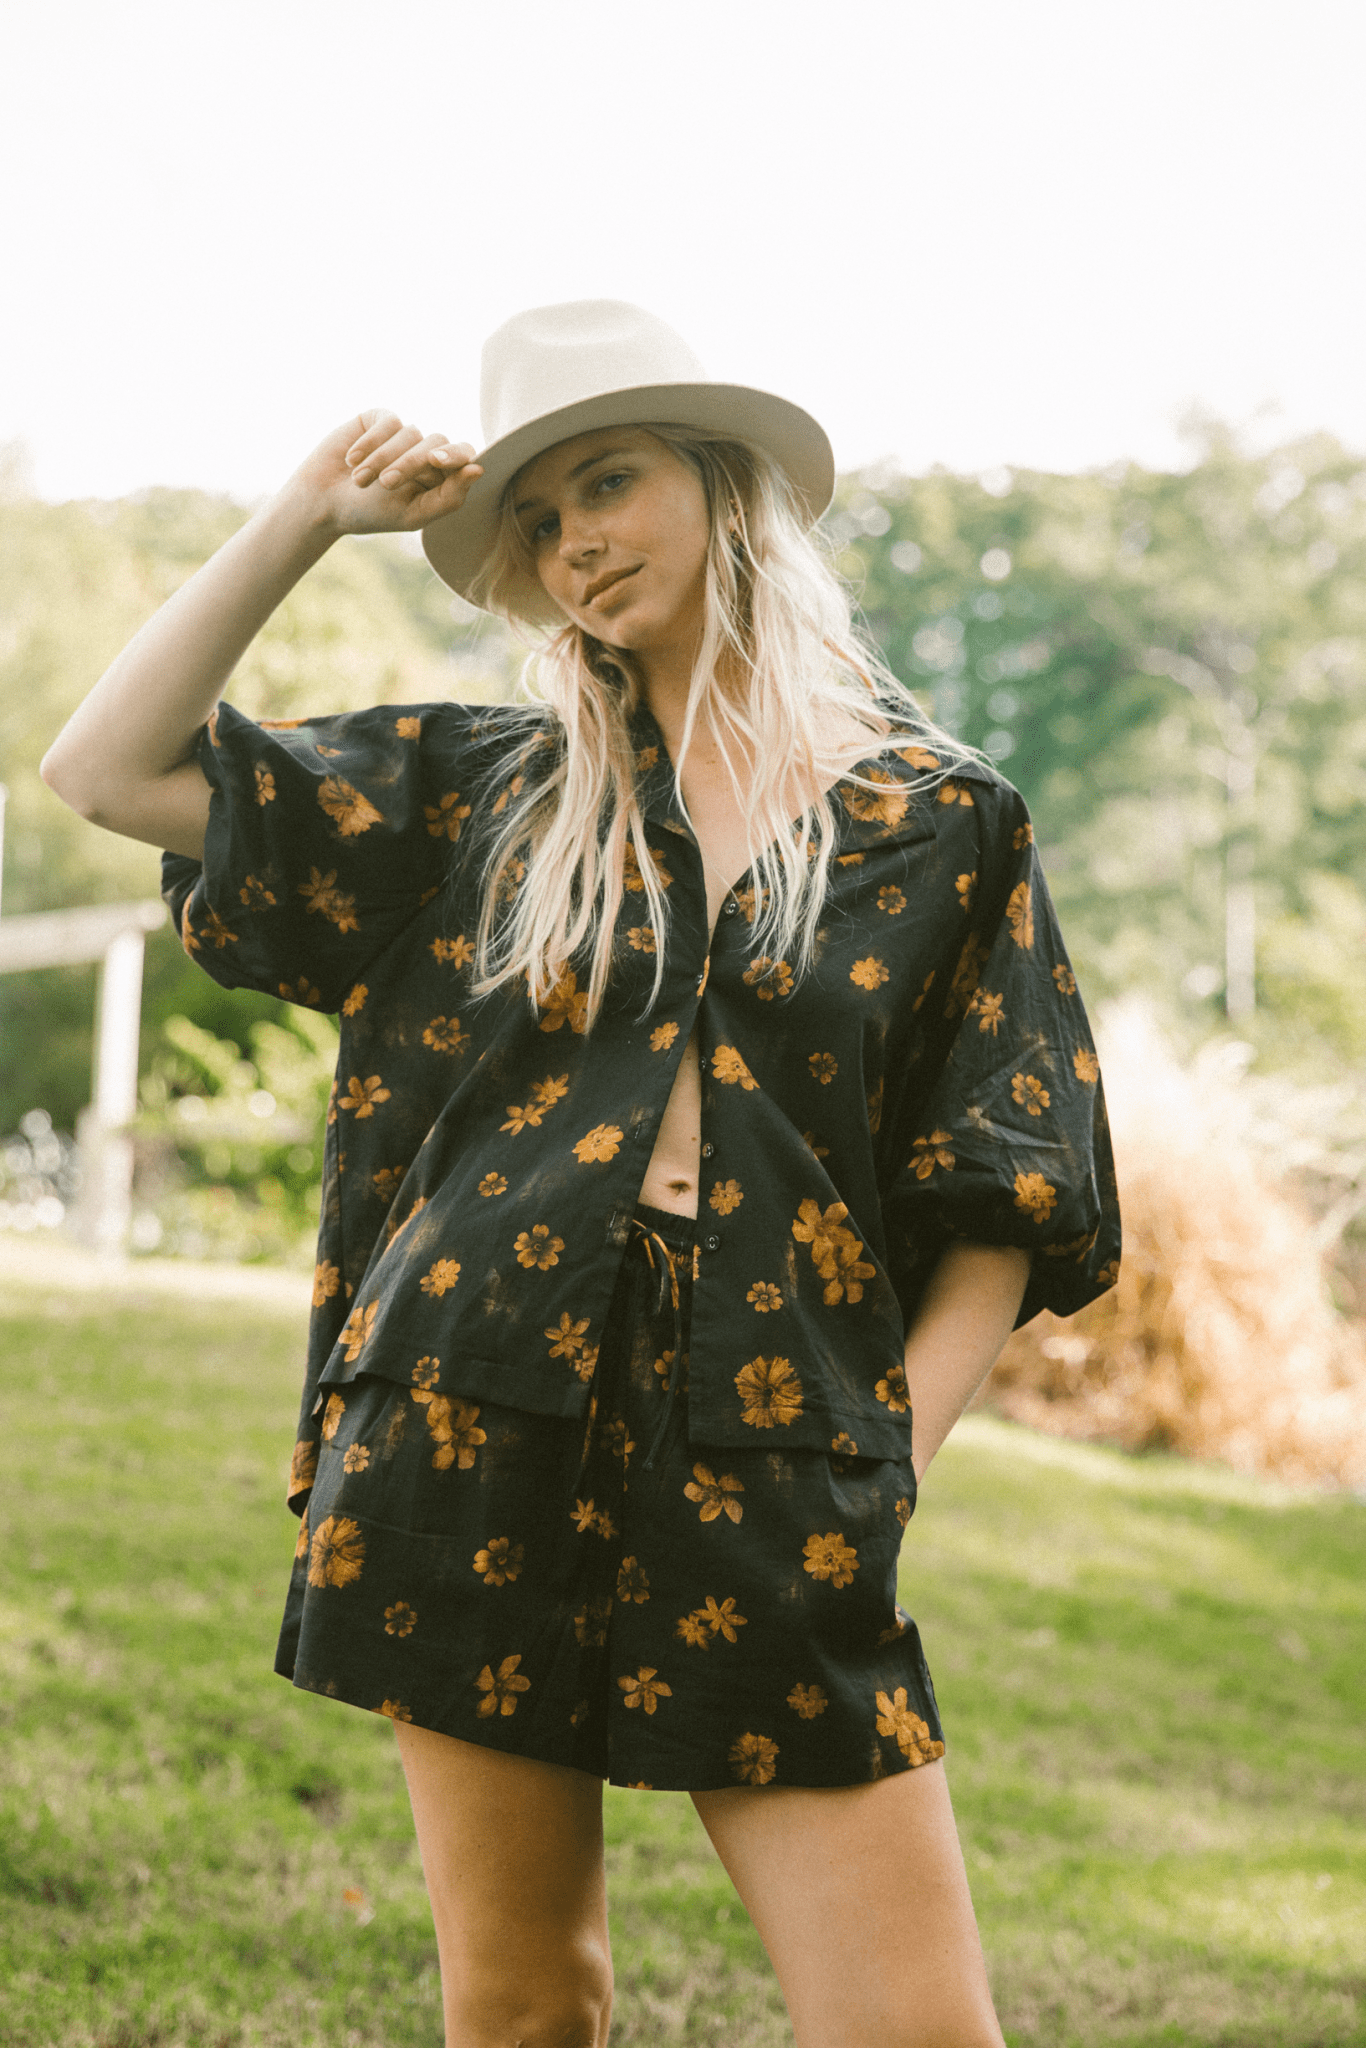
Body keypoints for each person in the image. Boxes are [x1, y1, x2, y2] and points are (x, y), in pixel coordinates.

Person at [42, 300, 1120, 2048]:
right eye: (538, 522)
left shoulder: (939, 820)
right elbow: (103, 768)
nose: (573, 545)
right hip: (473, 1401)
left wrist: (891, 1461)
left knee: (912, 2030)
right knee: (528, 2005)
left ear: (719, 481)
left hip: (773, 1433)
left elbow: (1004, 1184)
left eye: (605, 484)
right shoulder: (491, 793)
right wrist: (307, 513)